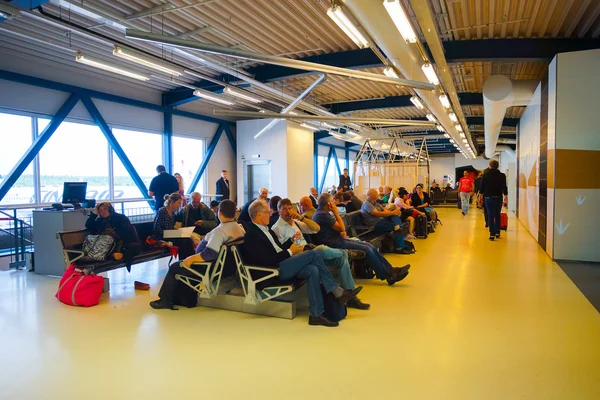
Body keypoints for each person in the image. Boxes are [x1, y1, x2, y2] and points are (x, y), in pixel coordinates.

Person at [243, 200, 361, 327]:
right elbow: (266, 260)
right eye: (267, 212)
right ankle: (337, 291)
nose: (270, 214)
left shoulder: (265, 230)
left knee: (313, 270)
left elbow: (277, 248)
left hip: (281, 264)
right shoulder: (252, 234)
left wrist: (290, 242)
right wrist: (290, 251)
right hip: (272, 272)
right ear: (259, 214)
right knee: (313, 254)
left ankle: (316, 314)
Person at [272, 198, 369, 310]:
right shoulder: (276, 228)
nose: (288, 211)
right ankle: (347, 252)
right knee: (323, 249)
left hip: (309, 252)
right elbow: (282, 251)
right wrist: (292, 244)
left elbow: (316, 228)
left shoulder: (296, 223)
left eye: (289, 208)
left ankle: (350, 296)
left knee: (342, 260)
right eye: (284, 209)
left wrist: (301, 218)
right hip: (299, 258)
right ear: (278, 211)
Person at [149, 200, 245, 310]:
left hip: (207, 267)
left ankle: (165, 300)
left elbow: (210, 253)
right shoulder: (239, 227)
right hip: (226, 268)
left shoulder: (220, 231)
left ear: (219, 213)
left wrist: (191, 259)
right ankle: (182, 298)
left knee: (175, 267)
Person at [312, 194, 410, 285]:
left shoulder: (322, 213)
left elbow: (337, 228)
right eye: (332, 202)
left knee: (368, 245)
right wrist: (336, 213)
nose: (334, 204)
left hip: (337, 239)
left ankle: (390, 271)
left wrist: (340, 231)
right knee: (366, 249)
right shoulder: (323, 215)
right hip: (334, 243)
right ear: (328, 204)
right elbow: (341, 227)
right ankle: (388, 274)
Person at [85, 201, 142, 268]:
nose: (103, 211)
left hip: (124, 243)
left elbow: (126, 232)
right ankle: (114, 254)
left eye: (105, 209)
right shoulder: (100, 221)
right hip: (107, 245)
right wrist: (95, 213)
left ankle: (117, 254)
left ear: (110, 209)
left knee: (127, 249)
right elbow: (88, 225)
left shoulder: (120, 218)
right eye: (100, 211)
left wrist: (112, 239)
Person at [361, 189, 411, 254]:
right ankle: (399, 248)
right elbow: (377, 213)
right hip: (375, 224)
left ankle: (398, 226)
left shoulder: (375, 203)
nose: (378, 195)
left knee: (395, 217)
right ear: (372, 196)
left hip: (381, 220)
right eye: (376, 194)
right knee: (397, 227)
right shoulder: (367, 204)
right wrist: (392, 212)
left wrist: (392, 213)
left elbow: (385, 210)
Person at [478, 160, 508, 241]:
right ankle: (497, 232)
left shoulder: (485, 175)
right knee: (497, 214)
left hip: (488, 197)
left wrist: (480, 197)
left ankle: (492, 234)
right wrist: (506, 197)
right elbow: (504, 187)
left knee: (490, 215)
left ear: (490, 166)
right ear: (497, 166)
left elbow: (481, 187)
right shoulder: (502, 175)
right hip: (498, 197)